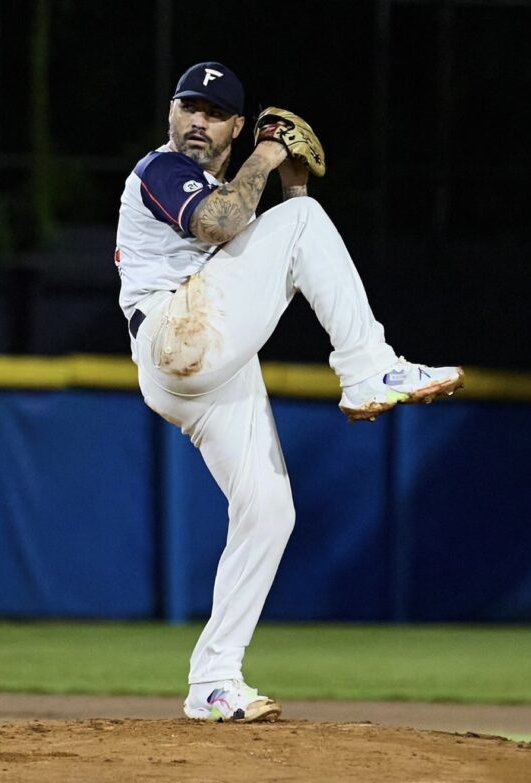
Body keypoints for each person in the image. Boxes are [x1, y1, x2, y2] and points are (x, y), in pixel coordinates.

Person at [115, 62, 463, 723]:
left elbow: (271, 250)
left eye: (214, 113)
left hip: (204, 360)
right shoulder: (161, 170)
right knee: (301, 222)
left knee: (270, 510)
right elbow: (221, 224)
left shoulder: (225, 184)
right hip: (175, 332)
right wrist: (273, 153)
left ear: (234, 127)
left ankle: (213, 680)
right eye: (189, 105)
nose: (197, 120)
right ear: (170, 112)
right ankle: (369, 367)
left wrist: (291, 176)